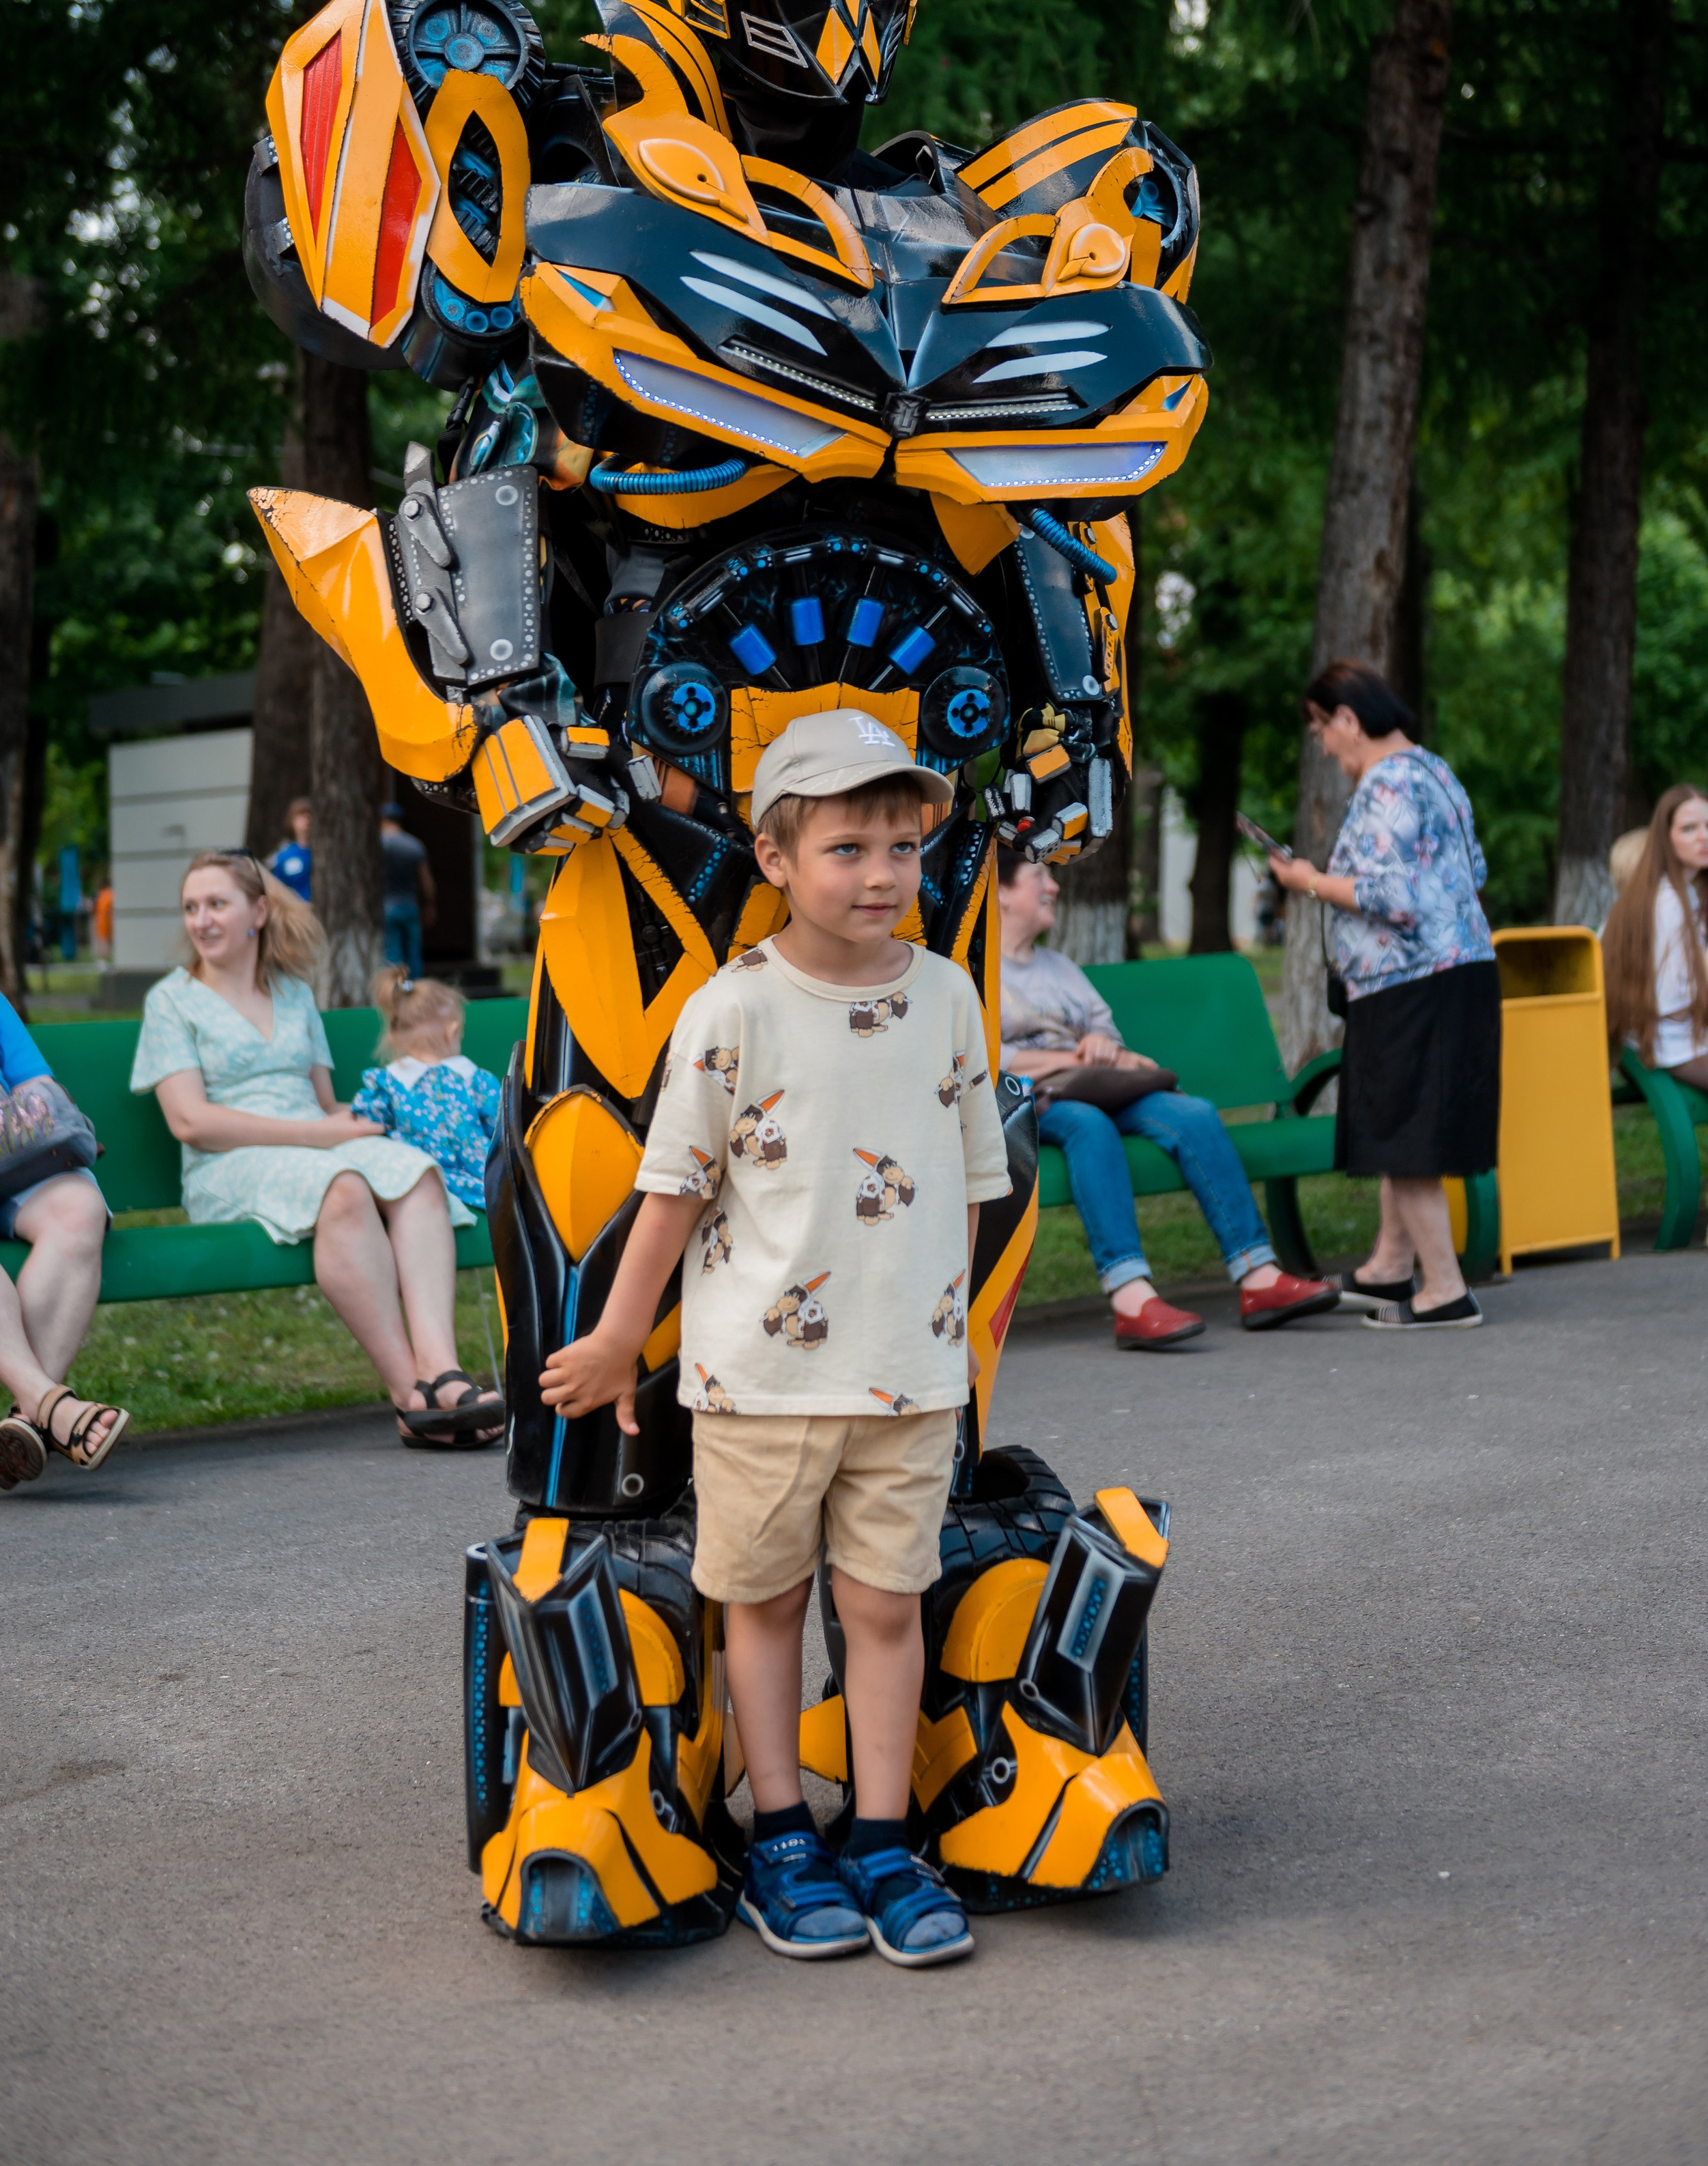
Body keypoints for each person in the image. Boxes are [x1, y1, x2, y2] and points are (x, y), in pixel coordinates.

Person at [539, 710, 1012, 1967]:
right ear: (775, 858)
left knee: (884, 1606)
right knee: (765, 1601)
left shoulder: (949, 997)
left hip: (906, 1382)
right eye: (850, 848)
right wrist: (615, 1339)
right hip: (760, 1381)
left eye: (904, 848)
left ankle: (882, 1837)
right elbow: (676, 1188)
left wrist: (947, 1343)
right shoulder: (730, 1010)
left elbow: (974, 1182)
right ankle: (785, 1837)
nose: (882, 875)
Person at [130, 850, 503, 1447]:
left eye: (216, 904)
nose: (201, 920)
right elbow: (191, 1122)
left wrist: (381, 1120)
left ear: (258, 912)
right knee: (346, 1187)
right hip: (229, 1164)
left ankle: (443, 1372)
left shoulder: (293, 992)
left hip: (313, 1148)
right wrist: (322, 1136)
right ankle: (411, 1396)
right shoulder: (171, 1001)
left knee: (416, 1173)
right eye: (191, 907)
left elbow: (323, 1102)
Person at [997, 849, 1337, 1342]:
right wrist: (1075, 1058)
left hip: (1099, 1085)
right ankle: (1131, 1297)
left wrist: (1100, 1048)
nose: (1053, 887)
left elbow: (1108, 1035)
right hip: (1036, 1099)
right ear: (1001, 893)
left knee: (1193, 1112)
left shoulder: (1060, 966)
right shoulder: (979, 971)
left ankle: (1258, 1276)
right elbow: (987, 1056)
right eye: (1037, 878)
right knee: (1089, 1126)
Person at [1269, 661, 1498, 1329]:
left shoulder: (1385, 783)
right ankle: (1390, 1269)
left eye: (1319, 728)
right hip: (1456, 971)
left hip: (1409, 983)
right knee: (1405, 1122)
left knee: (1405, 1132)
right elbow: (1472, 869)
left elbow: (1391, 896)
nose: (1322, 744)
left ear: (1346, 717)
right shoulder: (1434, 770)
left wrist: (1308, 880)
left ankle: (1445, 1290)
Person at [1598, 784, 1708, 1253]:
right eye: (1689, 828)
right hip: (1669, 1045)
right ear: (1665, 837)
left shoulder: (1675, 894)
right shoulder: (1665, 902)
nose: (1705, 837)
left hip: (1672, 1040)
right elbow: (1672, 1002)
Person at [0, 994, 126, 1487]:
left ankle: (25, 1425)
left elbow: (39, 1088)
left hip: (8, 1155)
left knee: (79, 1210)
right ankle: (49, 1405)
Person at [353, 969, 500, 1207]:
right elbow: (503, 1129)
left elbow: (367, 1124)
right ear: (453, 1033)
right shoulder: (474, 1080)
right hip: (482, 1180)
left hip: (416, 1182)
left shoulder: (387, 1084)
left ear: (393, 1037)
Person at [380, 803, 437, 981]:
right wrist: (430, 904)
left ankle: (397, 992)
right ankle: (416, 993)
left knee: (393, 955)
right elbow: (426, 880)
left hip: (387, 906)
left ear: (383, 821)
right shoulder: (414, 845)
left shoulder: (377, 845)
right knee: (413, 954)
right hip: (410, 905)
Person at [267, 797, 313, 902]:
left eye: (310, 815)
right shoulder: (285, 855)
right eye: (301, 815)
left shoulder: (323, 855)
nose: (307, 820)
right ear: (292, 821)